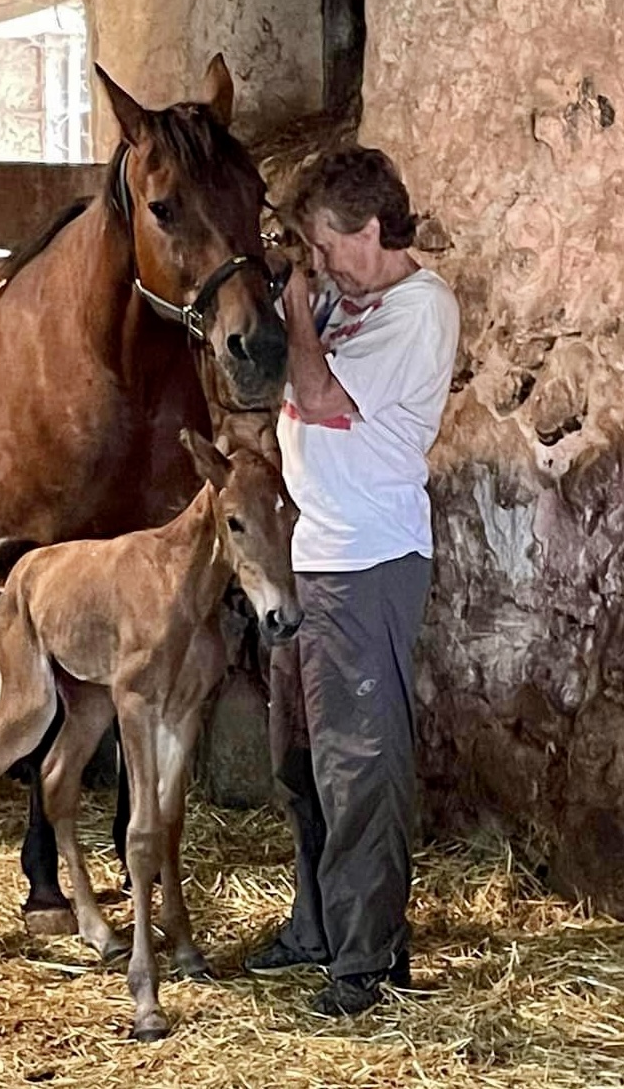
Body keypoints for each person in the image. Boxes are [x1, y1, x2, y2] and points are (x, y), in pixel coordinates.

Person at [244, 146, 460, 1017]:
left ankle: (367, 964)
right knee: (302, 764)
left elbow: (319, 396)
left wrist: (299, 310)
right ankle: (319, 927)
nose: (321, 261)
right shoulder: (352, 298)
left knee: (360, 766)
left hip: (369, 562)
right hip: (315, 557)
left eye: (330, 244)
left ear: (372, 230)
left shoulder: (418, 310)